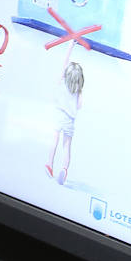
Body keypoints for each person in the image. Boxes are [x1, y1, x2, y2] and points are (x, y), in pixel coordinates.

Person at [45, 38, 85, 186]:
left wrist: (70, 46)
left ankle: (49, 164)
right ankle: (64, 169)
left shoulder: (61, 82)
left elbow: (64, 62)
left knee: (54, 140)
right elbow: (80, 105)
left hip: (58, 115)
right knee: (66, 146)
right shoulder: (78, 90)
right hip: (69, 119)